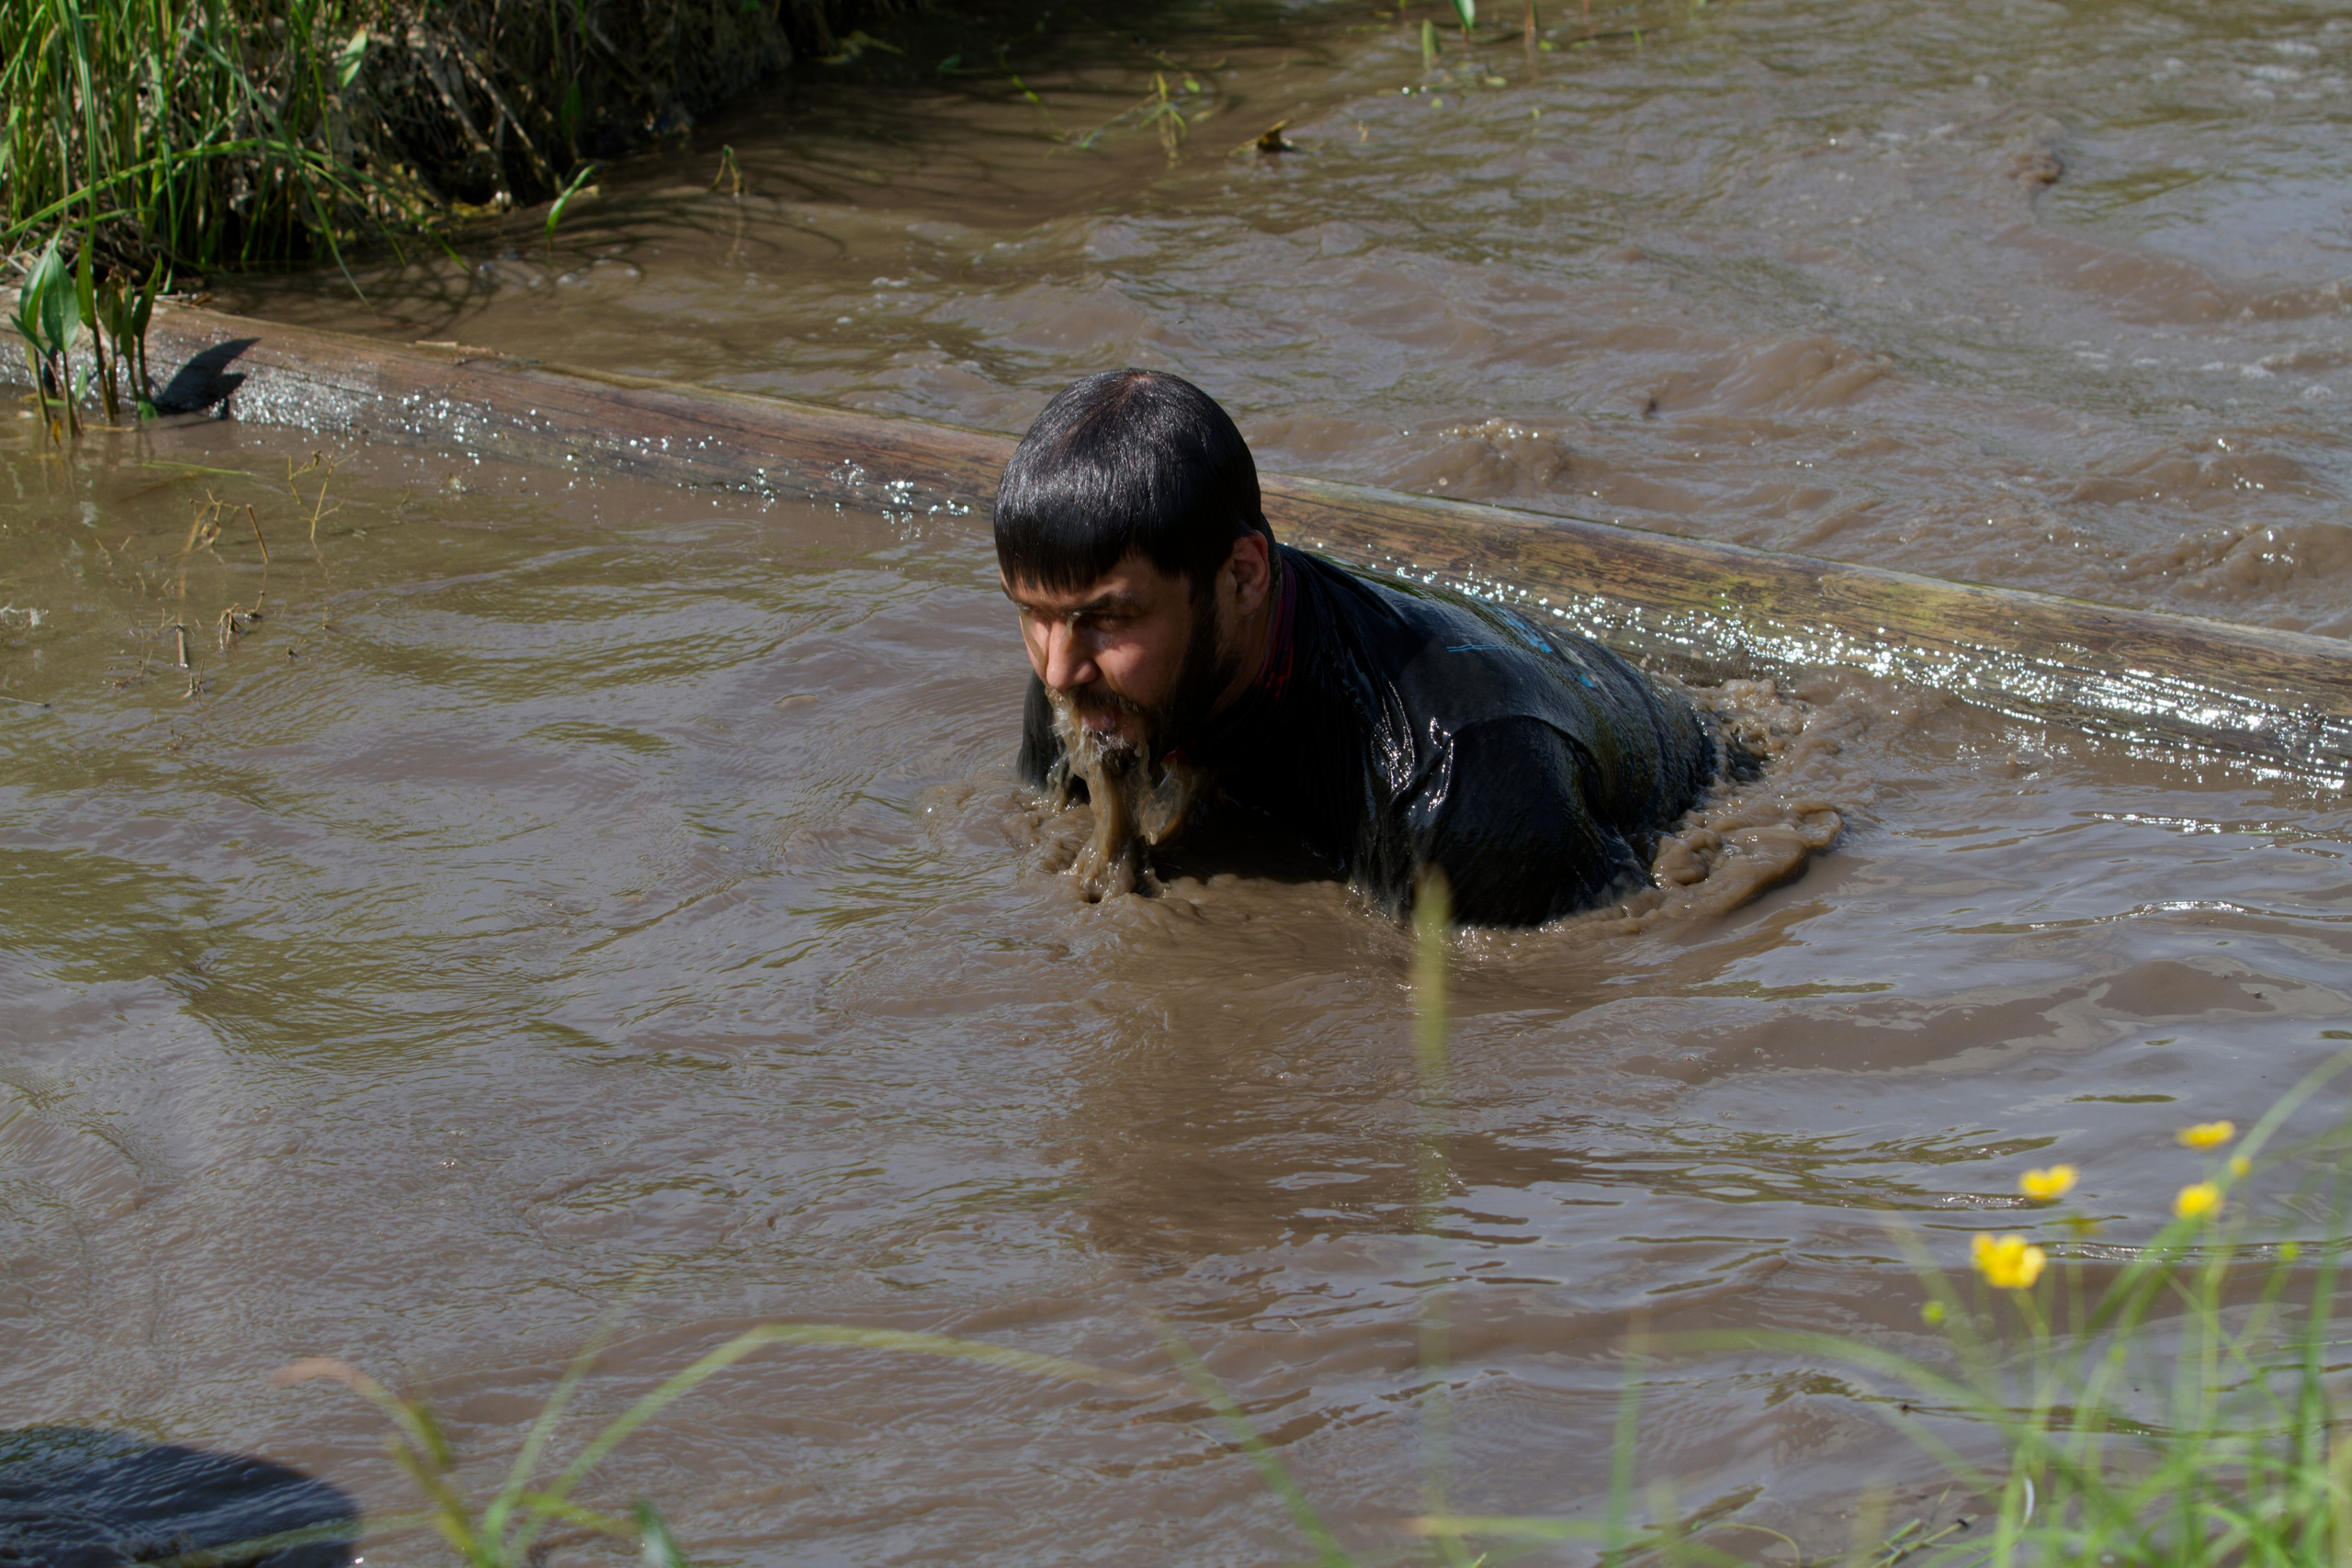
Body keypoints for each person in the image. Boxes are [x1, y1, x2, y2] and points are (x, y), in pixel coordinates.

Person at [995, 368, 1724, 928]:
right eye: (1033, 613)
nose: (1057, 668)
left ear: (1243, 577)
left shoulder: (1457, 785)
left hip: (1678, 756)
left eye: (1108, 618)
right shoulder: (1089, 678)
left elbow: (1553, 1010)